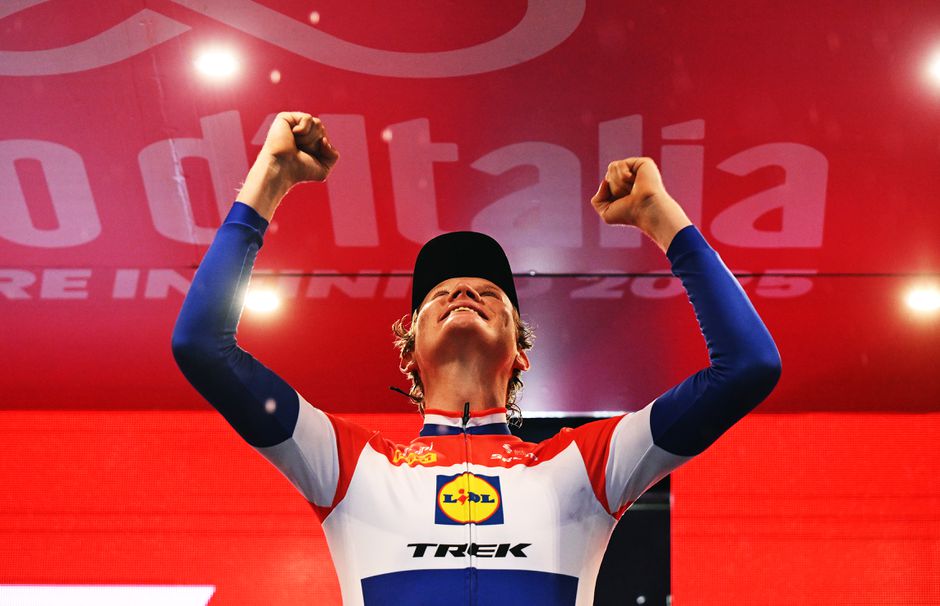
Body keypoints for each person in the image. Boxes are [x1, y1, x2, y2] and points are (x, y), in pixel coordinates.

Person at [172, 112, 781, 605]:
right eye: (441, 294)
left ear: (520, 355)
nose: (464, 291)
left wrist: (662, 219)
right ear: (409, 354)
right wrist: (269, 181)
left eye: (489, 293)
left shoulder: (583, 465)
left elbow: (748, 366)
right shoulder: (350, 466)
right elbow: (200, 346)